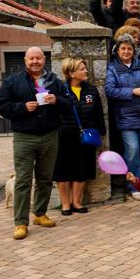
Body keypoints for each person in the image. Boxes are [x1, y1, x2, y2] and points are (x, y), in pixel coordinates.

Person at [0, 47, 71, 240]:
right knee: (23, 180)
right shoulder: (13, 81)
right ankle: (21, 222)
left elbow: (69, 103)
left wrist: (57, 100)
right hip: (24, 136)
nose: (35, 61)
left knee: (45, 178)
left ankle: (40, 214)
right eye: (32, 58)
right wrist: (22, 107)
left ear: (44, 60)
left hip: (49, 135)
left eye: (38, 58)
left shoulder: (54, 81)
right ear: (25, 60)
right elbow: (1, 105)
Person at [106, 34, 140, 200]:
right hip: (126, 116)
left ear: (134, 50)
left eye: (129, 48)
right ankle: (133, 185)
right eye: (123, 48)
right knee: (132, 151)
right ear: (117, 50)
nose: (126, 51)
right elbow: (110, 90)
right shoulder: (112, 68)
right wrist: (131, 91)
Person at [54, 57, 106, 216]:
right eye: (82, 69)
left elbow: (98, 113)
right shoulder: (60, 90)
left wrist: (100, 131)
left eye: (85, 68)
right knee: (63, 171)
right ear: (71, 73)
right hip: (64, 137)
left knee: (82, 169)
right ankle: (65, 204)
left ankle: (77, 202)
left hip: (86, 137)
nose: (86, 71)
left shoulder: (91, 90)